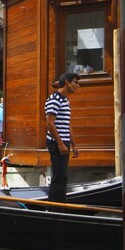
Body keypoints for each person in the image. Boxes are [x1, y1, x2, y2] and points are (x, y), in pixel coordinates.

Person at [45, 72, 79, 202]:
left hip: (64, 142)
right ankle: (55, 208)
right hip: (56, 143)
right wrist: (60, 144)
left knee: (62, 176)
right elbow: (49, 123)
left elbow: (66, 124)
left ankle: (57, 206)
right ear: (67, 82)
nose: (78, 85)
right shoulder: (55, 99)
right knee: (59, 176)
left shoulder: (65, 100)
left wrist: (74, 144)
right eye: (75, 82)